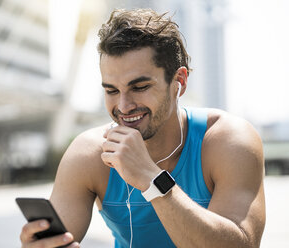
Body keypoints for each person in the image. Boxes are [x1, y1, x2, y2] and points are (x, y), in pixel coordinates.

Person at [20, 8, 265, 248]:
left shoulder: (229, 141)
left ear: (179, 81)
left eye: (140, 87)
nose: (124, 107)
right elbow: (53, 241)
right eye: (112, 91)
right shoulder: (90, 154)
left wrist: (152, 179)